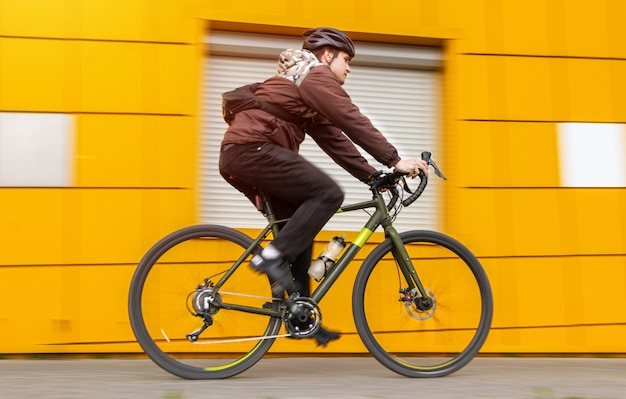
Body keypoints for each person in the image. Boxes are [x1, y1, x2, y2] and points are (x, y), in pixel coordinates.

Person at [219, 27, 429, 346]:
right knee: (328, 193)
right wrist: (395, 159)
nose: (349, 67)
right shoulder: (314, 75)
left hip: (247, 155)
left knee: (299, 231)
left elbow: (335, 139)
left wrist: (373, 175)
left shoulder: (304, 87)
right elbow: (349, 117)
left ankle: (301, 316)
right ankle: (269, 257)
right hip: (253, 150)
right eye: (346, 59)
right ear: (328, 55)